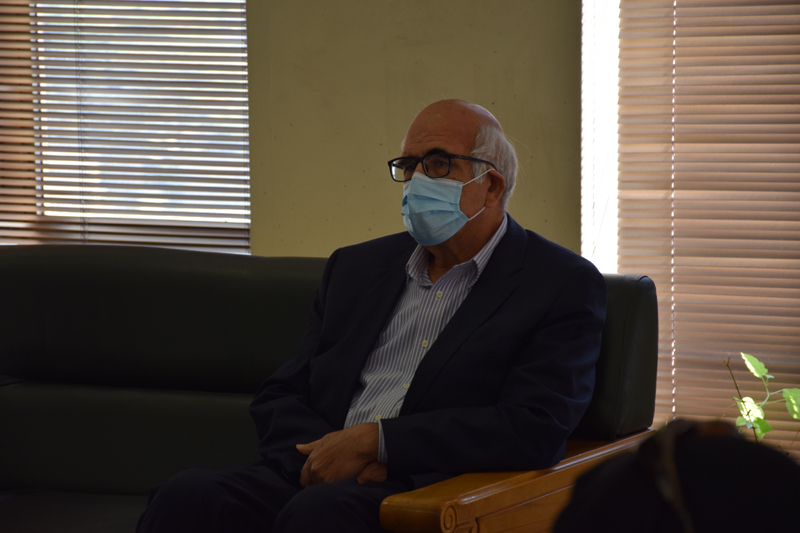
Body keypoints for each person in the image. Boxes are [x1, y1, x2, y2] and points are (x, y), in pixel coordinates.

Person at [137, 99, 607, 533]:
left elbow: (533, 427)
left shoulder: (559, 283)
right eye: (409, 165)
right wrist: (325, 456)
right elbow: (283, 392)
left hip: (423, 489)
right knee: (187, 496)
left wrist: (377, 444)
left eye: (438, 163)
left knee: (319, 515)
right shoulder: (356, 267)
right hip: (313, 472)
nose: (417, 179)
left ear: (492, 186)